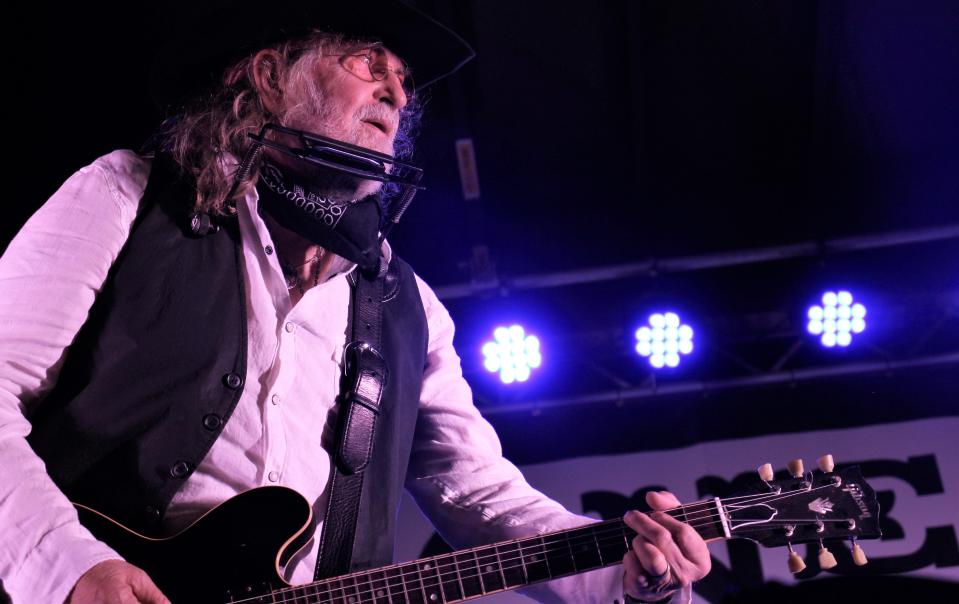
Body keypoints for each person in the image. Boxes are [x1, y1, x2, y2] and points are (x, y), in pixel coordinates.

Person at [0, 2, 710, 602]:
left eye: (403, 81)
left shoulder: (408, 306)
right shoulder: (125, 196)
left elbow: (476, 494)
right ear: (270, 74)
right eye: (368, 62)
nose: (398, 95)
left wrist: (619, 572)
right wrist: (70, 568)